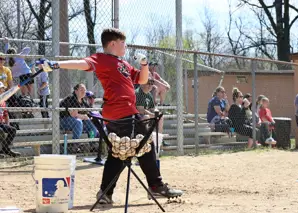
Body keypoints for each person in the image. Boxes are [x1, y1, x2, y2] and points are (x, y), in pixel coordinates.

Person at [37, 28, 183, 203]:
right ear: (113, 43)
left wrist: (144, 65)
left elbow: (143, 80)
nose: (126, 46)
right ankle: (156, 186)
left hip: (124, 112)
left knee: (120, 151)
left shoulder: (123, 64)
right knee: (145, 144)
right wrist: (56, 64)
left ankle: (106, 193)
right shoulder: (101, 59)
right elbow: (82, 63)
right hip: (122, 111)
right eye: (123, 43)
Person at [59, 83, 98, 152]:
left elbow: (87, 115)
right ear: (76, 91)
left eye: (85, 90)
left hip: (78, 123)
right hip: (64, 121)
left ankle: (92, 143)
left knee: (92, 123)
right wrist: (82, 116)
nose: (84, 91)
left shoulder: (84, 102)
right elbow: (73, 114)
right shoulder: (70, 98)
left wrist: (81, 116)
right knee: (78, 122)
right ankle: (75, 144)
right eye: (81, 90)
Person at [0, 82, 20, 157]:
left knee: (13, 130)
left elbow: (6, 114)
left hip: (1, 123)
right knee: (1, 131)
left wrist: (7, 124)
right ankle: (6, 149)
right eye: (2, 88)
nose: (4, 89)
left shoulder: (3, 101)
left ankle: (5, 149)